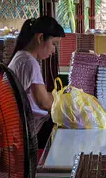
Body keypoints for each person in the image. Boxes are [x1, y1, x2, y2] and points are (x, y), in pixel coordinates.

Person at [8, 16, 64, 148]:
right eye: (54, 44)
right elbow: (44, 102)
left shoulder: (21, 57)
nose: (53, 50)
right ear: (40, 38)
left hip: (25, 125)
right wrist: (67, 108)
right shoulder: (29, 63)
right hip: (33, 129)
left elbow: (43, 95)